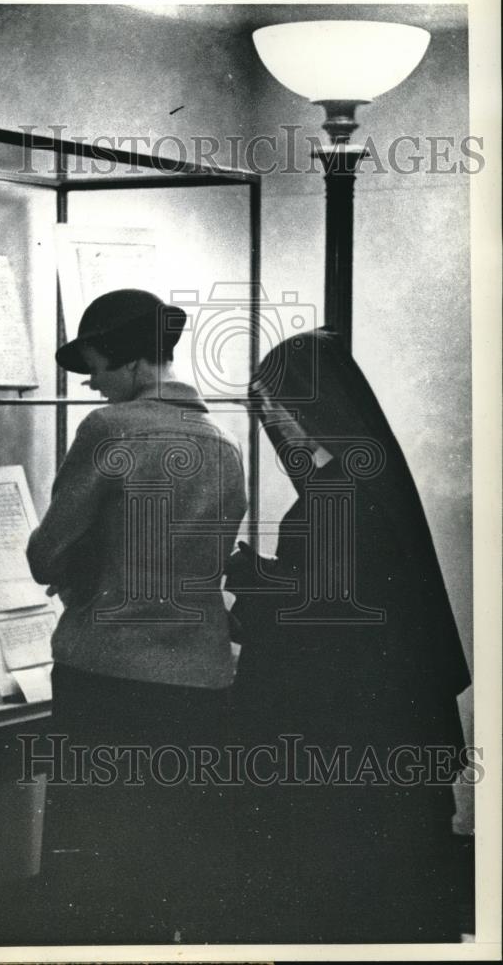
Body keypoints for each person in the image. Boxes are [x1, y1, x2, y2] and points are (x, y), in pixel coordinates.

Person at [225, 327, 472, 943]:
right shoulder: (365, 483)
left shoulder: (339, 496)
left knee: (351, 898)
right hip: (383, 725)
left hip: (354, 727)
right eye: (268, 415)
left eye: (283, 410)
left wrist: (246, 576)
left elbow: (326, 614)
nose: (277, 427)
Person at [26, 289, 247, 943]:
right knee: (171, 857)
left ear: (130, 363)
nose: (91, 382)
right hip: (202, 680)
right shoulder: (223, 442)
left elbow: (47, 552)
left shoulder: (110, 429)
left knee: (93, 863)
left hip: (109, 676)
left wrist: (78, 573)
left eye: (95, 365)